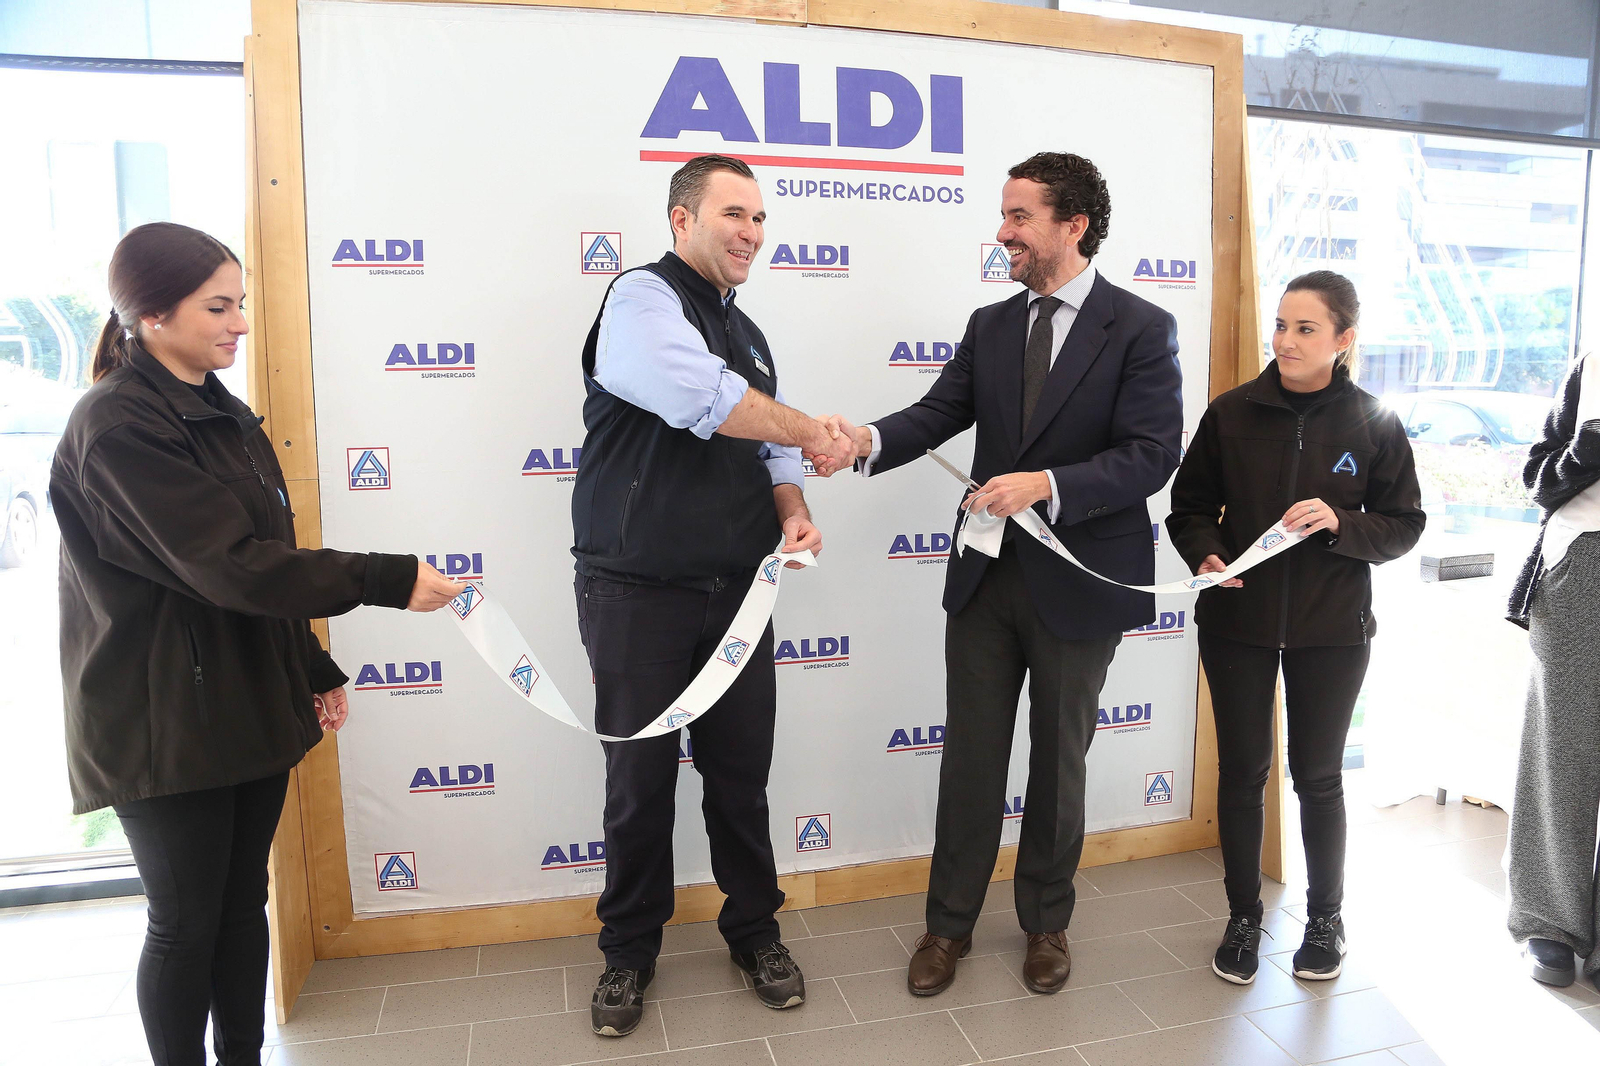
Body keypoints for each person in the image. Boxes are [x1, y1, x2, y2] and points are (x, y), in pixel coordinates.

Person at [50, 222, 463, 1066]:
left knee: (242, 907)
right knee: (184, 923)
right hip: (163, 719)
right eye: (219, 306)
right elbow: (231, 566)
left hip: (242, 698)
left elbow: (262, 557)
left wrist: (308, 664)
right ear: (152, 314)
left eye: (241, 303)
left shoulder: (219, 408)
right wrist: (385, 578)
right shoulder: (117, 428)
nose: (240, 322)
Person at [821, 152, 1184, 996]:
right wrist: (863, 441)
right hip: (985, 577)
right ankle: (947, 928)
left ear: (1073, 226)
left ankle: (1047, 923)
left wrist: (1050, 485)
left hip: (1080, 579)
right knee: (971, 760)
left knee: (1060, 764)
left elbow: (1151, 455)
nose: (1002, 232)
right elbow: (938, 413)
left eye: (1019, 217)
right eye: (1005, 215)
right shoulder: (991, 325)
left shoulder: (1139, 328)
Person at [570, 154, 854, 1036]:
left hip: (737, 592)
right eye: (734, 213)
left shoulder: (752, 332)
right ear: (680, 219)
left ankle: (755, 933)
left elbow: (764, 450)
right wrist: (813, 428)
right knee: (639, 781)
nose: (751, 233)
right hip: (635, 590)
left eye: (761, 218)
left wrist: (796, 506)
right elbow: (707, 399)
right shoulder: (640, 300)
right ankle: (627, 955)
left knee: (740, 777)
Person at [1166, 270, 1424, 986]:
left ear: (1344, 340)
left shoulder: (1375, 421)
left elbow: (1405, 526)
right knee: (1244, 773)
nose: (1285, 341)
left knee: (1317, 777)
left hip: (1333, 630)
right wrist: (1205, 554)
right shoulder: (1231, 412)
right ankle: (1243, 918)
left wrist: (1343, 523)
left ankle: (1324, 920)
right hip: (1237, 623)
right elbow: (1187, 508)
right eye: (1280, 326)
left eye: (1305, 329)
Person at [1506, 352, 1600, 991]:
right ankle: (1552, 924)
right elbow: (1538, 475)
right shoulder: (1591, 365)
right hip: (1581, 566)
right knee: (1561, 752)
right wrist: (1591, 445)